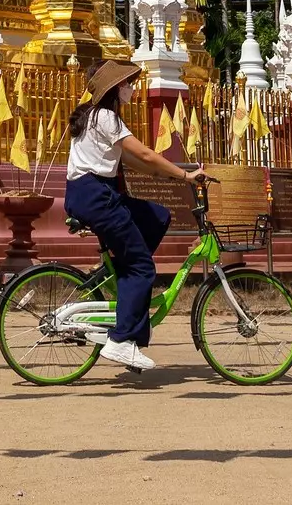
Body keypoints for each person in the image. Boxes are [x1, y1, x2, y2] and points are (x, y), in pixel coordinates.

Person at [64, 60, 204, 372]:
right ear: (115, 88)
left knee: (157, 216)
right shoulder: (106, 117)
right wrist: (185, 176)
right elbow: (143, 153)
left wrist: (170, 176)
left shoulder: (94, 116)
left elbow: (138, 162)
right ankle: (121, 340)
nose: (131, 88)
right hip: (96, 196)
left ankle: (127, 289)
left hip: (91, 195)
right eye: (127, 83)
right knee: (142, 268)